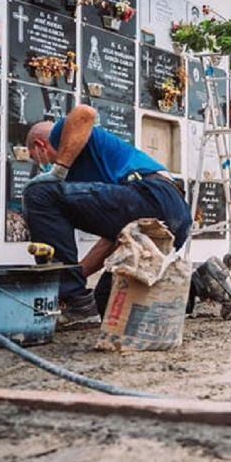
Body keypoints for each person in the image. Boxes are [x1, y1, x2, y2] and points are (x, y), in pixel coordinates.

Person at [22, 104, 192, 323]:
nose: (41, 165)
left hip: (152, 195)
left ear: (40, 147)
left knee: (37, 193)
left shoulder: (60, 134)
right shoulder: (98, 187)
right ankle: (202, 281)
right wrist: (74, 276)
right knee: (106, 298)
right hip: (174, 215)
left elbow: (85, 113)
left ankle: (72, 298)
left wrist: (59, 169)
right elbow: (111, 240)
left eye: (37, 159)